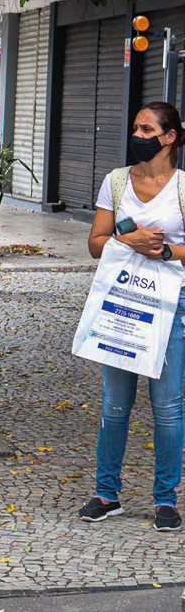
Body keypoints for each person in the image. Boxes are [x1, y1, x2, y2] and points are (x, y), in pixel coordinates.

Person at [80, 101, 185, 532]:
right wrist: (133, 240)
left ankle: (165, 500)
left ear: (169, 137)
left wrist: (162, 250)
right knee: (115, 404)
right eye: (136, 128)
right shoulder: (117, 182)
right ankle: (107, 494)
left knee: (168, 407)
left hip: (171, 309)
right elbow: (95, 242)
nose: (137, 136)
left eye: (146, 129)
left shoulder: (182, 188)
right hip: (121, 303)